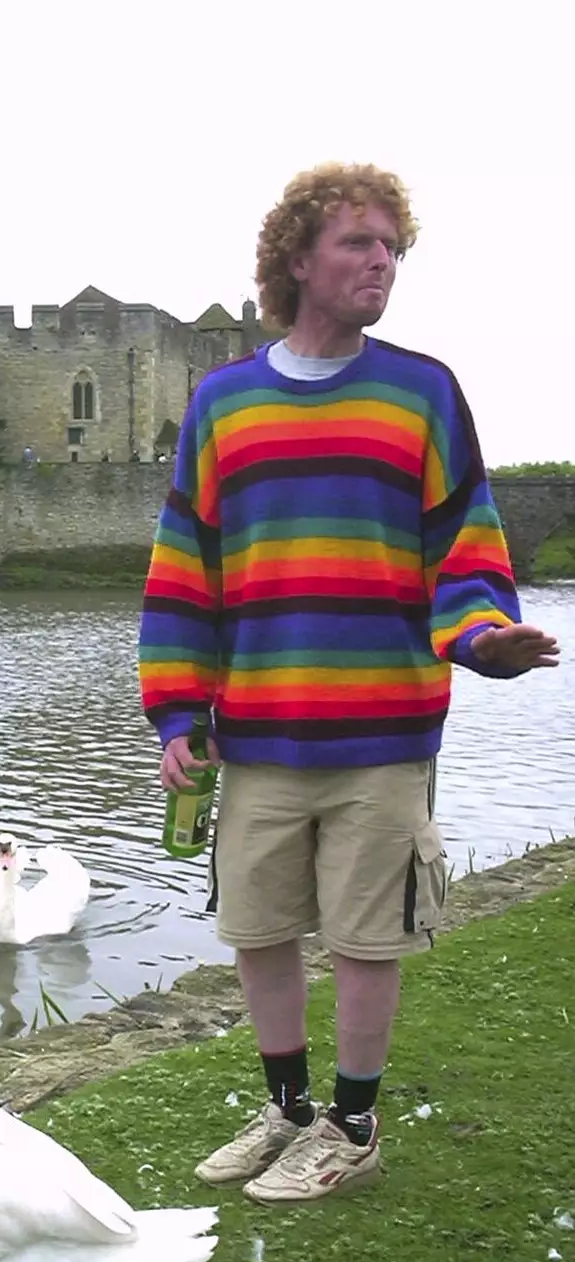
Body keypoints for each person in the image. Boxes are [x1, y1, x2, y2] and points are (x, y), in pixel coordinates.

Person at [138, 162, 559, 1205]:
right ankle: (285, 1109)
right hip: (259, 735)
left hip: (381, 734)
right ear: (296, 258)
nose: (379, 262)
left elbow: (460, 549)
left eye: (390, 248)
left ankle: (352, 1124)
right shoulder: (221, 402)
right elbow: (186, 568)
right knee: (259, 929)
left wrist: (481, 637)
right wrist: (176, 711)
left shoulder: (421, 390)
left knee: (368, 938)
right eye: (356, 244)